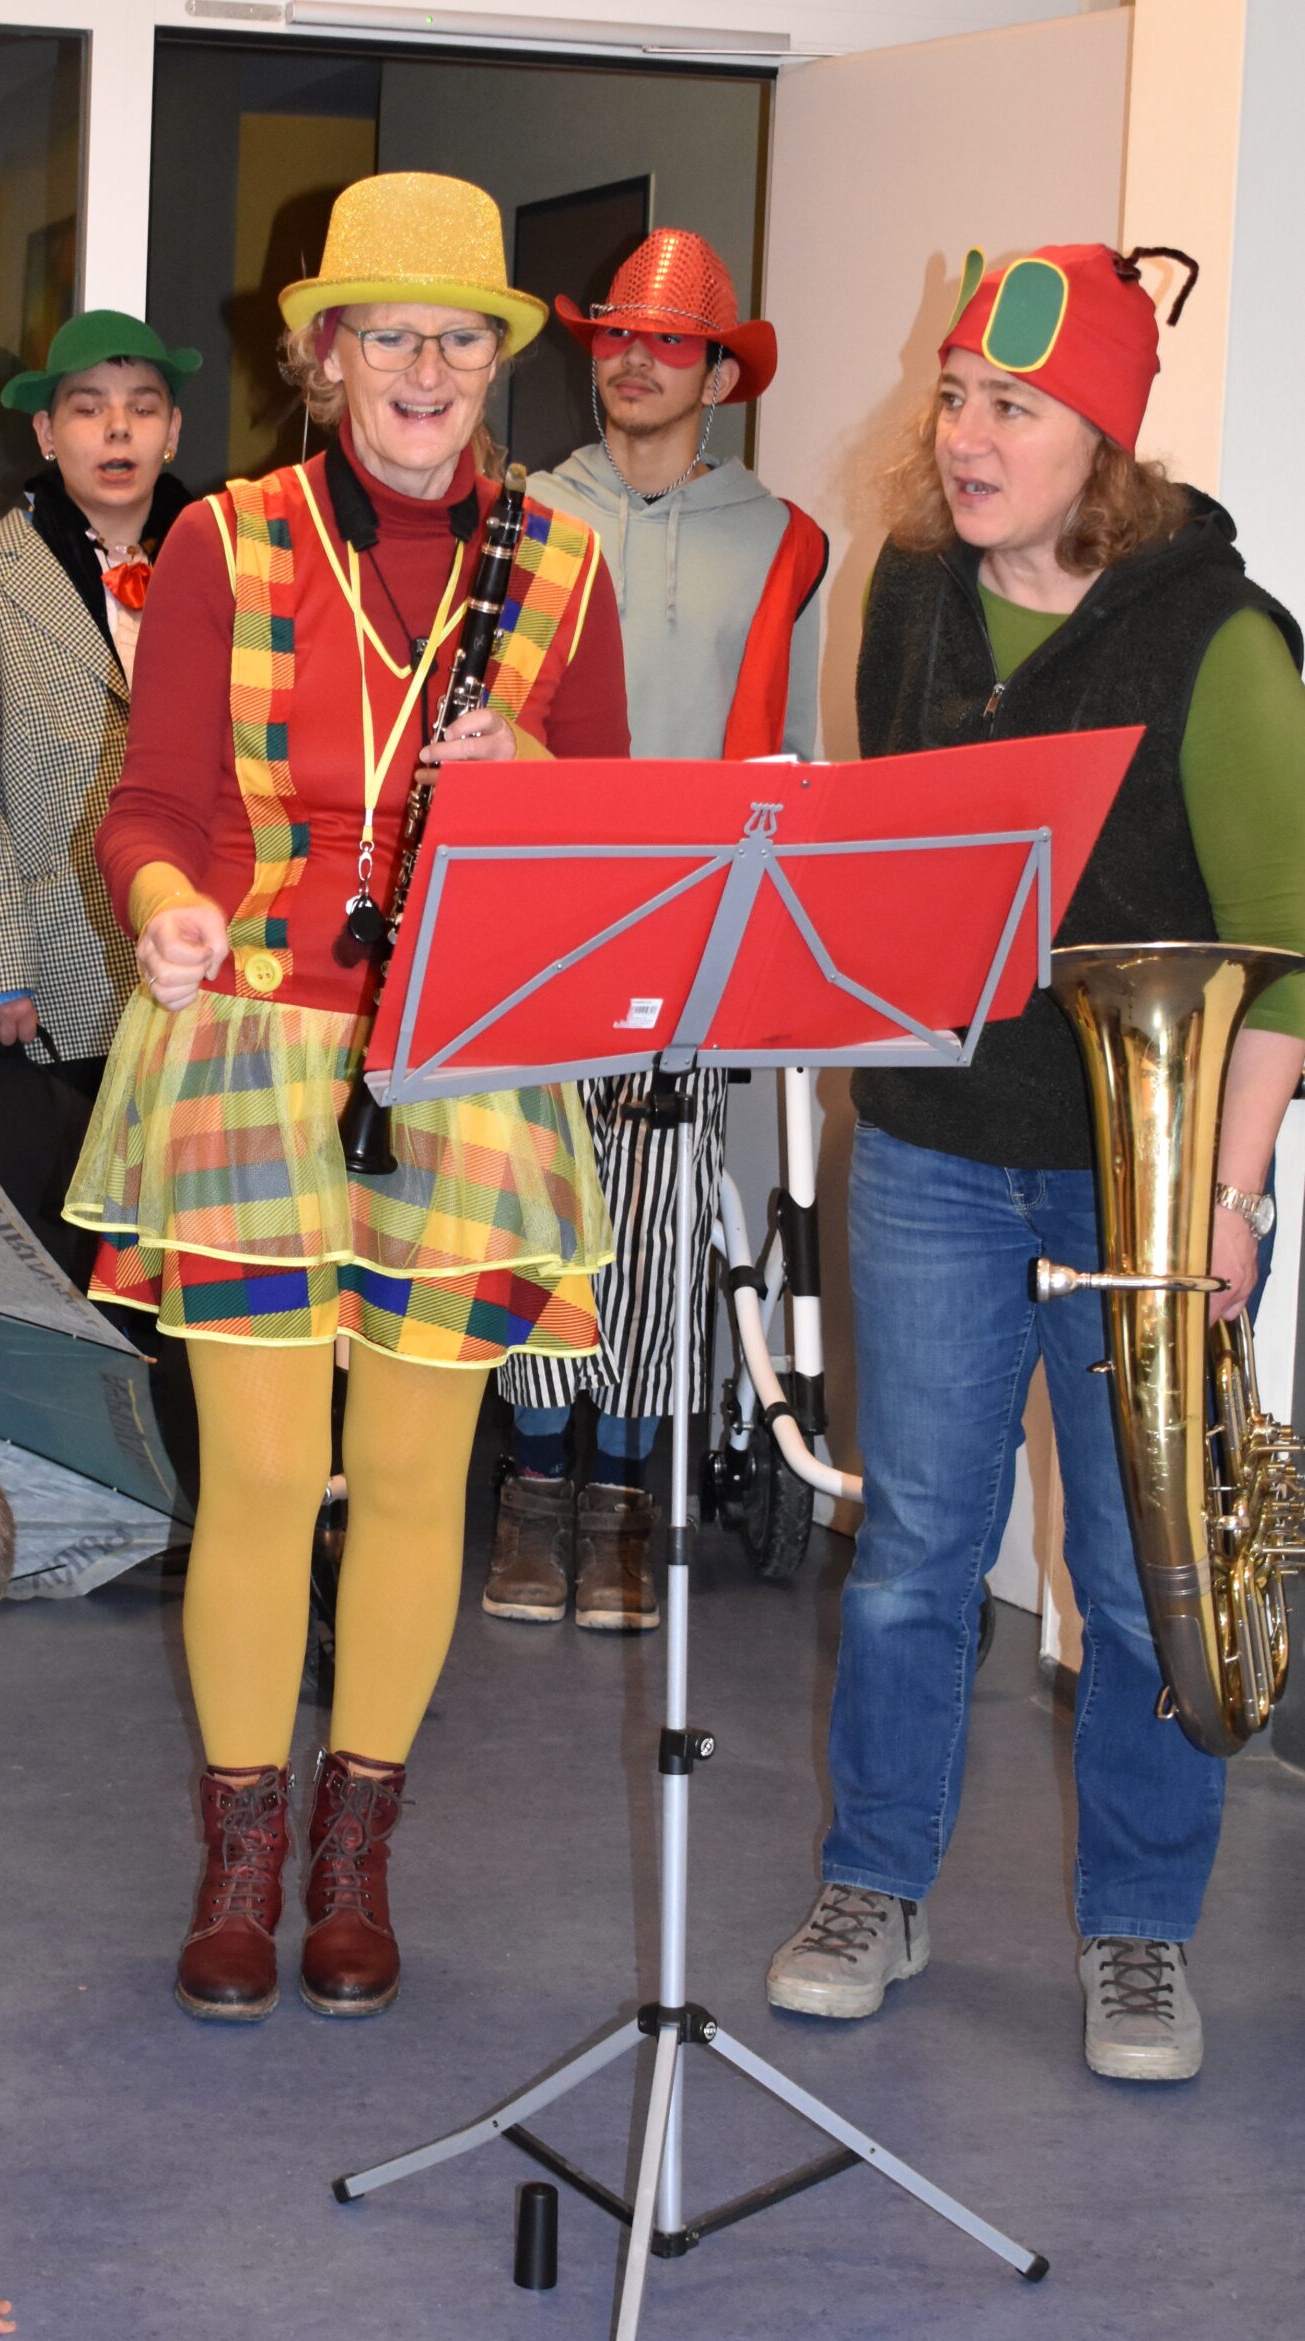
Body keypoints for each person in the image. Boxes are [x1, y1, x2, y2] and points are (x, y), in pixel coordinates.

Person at [63, 173, 629, 2024]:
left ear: (494, 362)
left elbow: (612, 839)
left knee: (408, 1478)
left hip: (463, 1062)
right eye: (388, 334)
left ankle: (356, 1853)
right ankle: (241, 1855)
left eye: (458, 338)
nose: (425, 368)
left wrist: (530, 770)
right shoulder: (226, 539)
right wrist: (164, 903)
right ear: (324, 355)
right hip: (247, 1037)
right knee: (256, 1474)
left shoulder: (558, 566)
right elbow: (151, 805)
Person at [766, 241, 1305, 2081]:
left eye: (1013, 406)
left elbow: (1289, 948)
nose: (965, 435)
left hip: (1141, 1182)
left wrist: (1229, 1197)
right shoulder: (910, 589)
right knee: (912, 1548)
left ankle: (1139, 1933)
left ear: (1106, 443)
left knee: (1141, 1569)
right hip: (930, 1143)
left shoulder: (1218, 635)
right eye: (953, 397)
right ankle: (873, 1884)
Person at [484, 229, 827, 1634]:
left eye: (669, 342)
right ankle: (533, 1488)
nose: (634, 360)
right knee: (536, 1206)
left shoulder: (785, 540)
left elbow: (791, 756)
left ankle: (623, 1499)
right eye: (617, 334)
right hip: (539, 916)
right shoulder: (520, 513)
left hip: (692, 927)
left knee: (662, 1220)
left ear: (717, 377)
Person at [0, 313, 197, 1281]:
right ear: (45, 433)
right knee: (63, 1245)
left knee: (173, 1241)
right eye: (88, 409)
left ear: (173, 431)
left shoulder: (231, 563)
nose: (118, 431)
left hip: (189, 951)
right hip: (51, 967)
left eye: (142, 409)